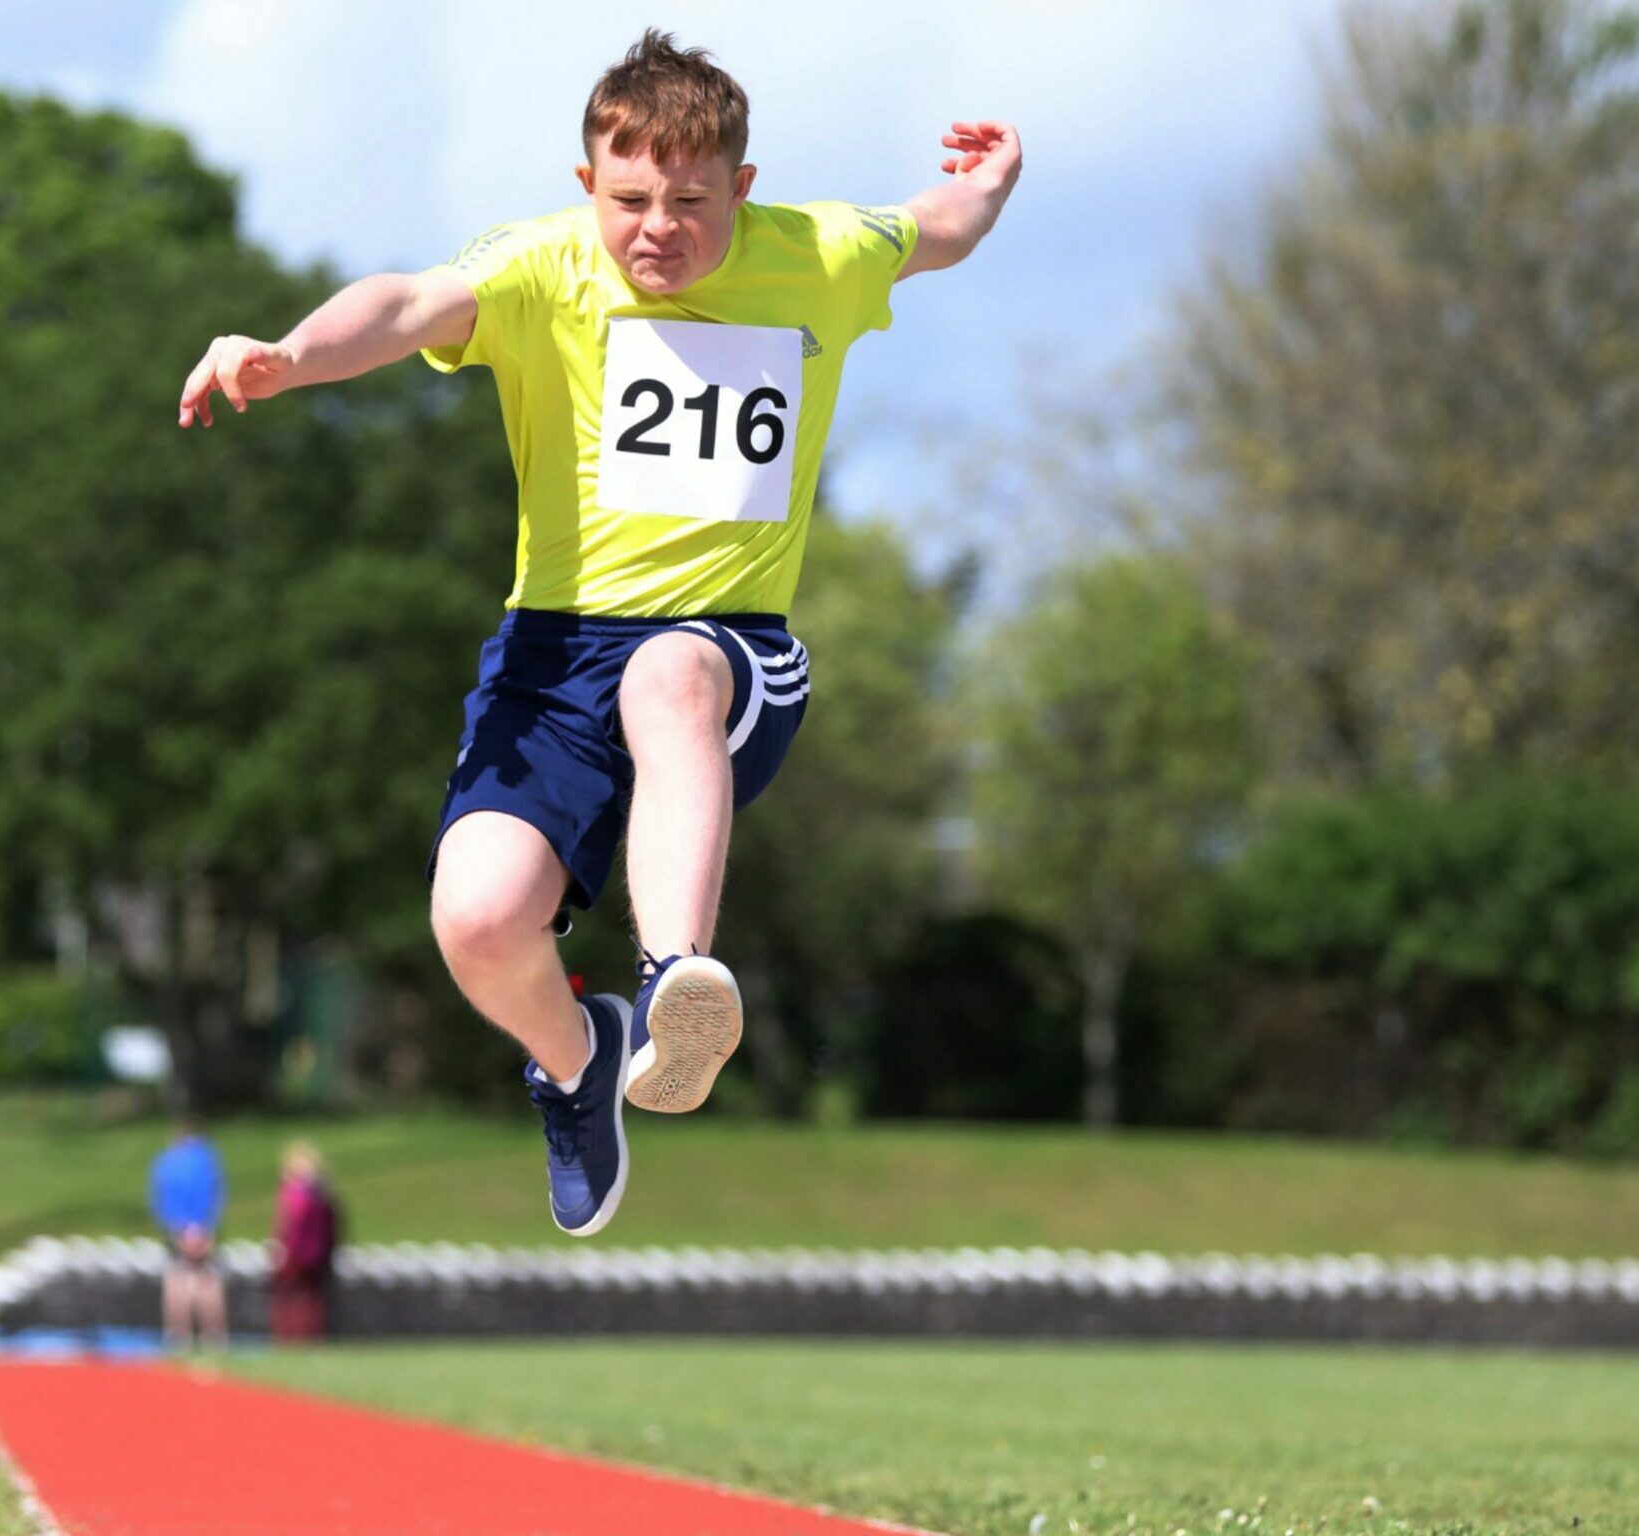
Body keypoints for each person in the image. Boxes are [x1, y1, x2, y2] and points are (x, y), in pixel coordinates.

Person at [175, 30, 1019, 1237]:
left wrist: (989, 181)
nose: (656, 229)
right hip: (553, 657)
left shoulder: (818, 256)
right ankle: (577, 1064)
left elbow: (933, 226)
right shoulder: (545, 267)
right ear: (588, 189)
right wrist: (288, 357)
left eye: (689, 201)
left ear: (743, 187)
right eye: (629, 201)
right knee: (475, 920)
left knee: (670, 674)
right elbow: (409, 304)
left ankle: (676, 977)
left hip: (730, 650)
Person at [147, 1118, 227, 1349]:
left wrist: (177, 1228)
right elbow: (216, 1195)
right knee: (207, 1282)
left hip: (177, 1228)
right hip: (203, 1227)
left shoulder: (165, 1161)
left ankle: (178, 1334)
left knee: (178, 1282)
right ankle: (213, 1335)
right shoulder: (207, 1160)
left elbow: (159, 1198)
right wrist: (205, 1228)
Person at [269, 1142, 340, 1343]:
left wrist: (280, 1249)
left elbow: (287, 1223)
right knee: (312, 1298)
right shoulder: (323, 1193)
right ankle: (311, 1337)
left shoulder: (295, 1193)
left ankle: (291, 1338)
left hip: (296, 1253)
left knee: (288, 1297)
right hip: (318, 1254)